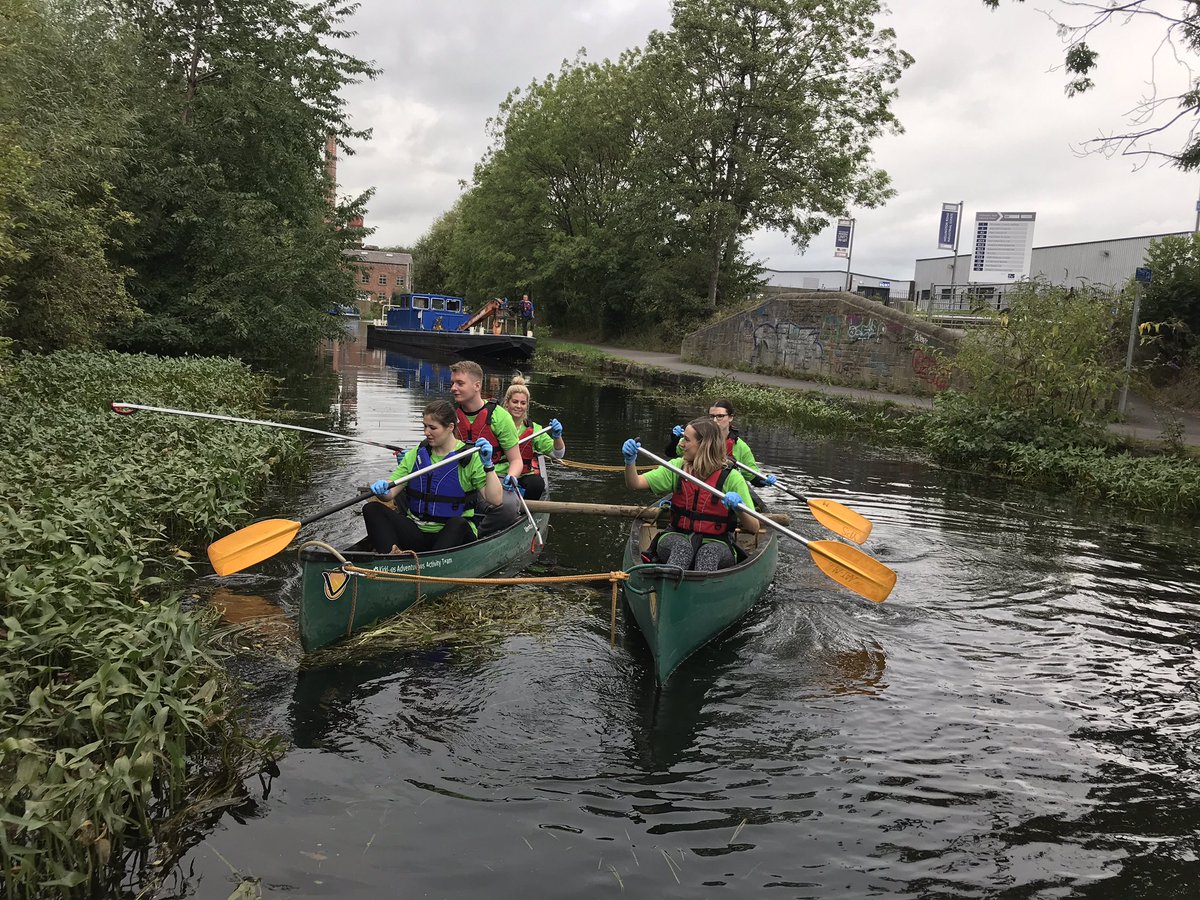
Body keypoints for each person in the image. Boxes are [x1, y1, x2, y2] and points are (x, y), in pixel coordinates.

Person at [363, 400, 502, 553]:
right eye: (425, 426)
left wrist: (488, 465)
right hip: (418, 531)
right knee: (372, 509)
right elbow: (390, 493)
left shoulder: (469, 457)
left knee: (458, 524)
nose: (426, 432)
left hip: (452, 535)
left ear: (450, 427)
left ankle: (432, 566)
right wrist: (383, 489)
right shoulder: (417, 453)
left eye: (432, 428)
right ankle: (390, 562)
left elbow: (495, 499)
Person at [622, 417, 759, 571]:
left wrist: (739, 508)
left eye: (686, 440)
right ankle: (670, 585)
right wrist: (629, 462)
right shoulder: (677, 468)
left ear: (703, 445)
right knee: (682, 548)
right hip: (676, 535)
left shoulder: (732, 478)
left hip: (717, 542)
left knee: (708, 553)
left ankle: (698, 591)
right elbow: (635, 483)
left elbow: (754, 527)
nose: (681, 444)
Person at [449, 360, 524, 533]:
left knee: (508, 507)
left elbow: (516, 460)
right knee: (407, 492)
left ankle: (478, 536)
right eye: (452, 383)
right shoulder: (449, 415)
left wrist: (511, 477)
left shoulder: (501, 417)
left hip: (491, 477)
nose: (453, 388)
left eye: (460, 383)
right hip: (459, 476)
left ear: (476, 386)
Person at [664, 398, 777, 491]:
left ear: (731, 417)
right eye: (711, 416)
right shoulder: (696, 437)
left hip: (723, 492)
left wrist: (764, 480)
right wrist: (674, 440)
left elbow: (753, 478)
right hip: (694, 487)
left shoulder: (741, 448)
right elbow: (671, 453)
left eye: (720, 416)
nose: (714, 420)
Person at [501, 374, 564, 501]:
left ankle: (522, 512)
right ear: (507, 403)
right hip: (500, 474)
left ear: (527, 406)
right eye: (515, 402)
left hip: (523, 475)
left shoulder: (534, 429)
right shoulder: (497, 424)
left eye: (523, 403)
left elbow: (558, 454)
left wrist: (557, 437)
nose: (519, 406)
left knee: (537, 483)